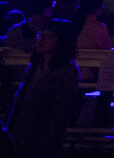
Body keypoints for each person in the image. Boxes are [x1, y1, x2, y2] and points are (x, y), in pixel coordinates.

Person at [6, 17, 80, 156]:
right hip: (21, 131)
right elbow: (20, 100)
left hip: (42, 136)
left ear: (62, 41)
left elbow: (61, 110)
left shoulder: (67, 71)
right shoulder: (36, 64)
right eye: (41, 34)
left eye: (48, 36)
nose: (40, 39)